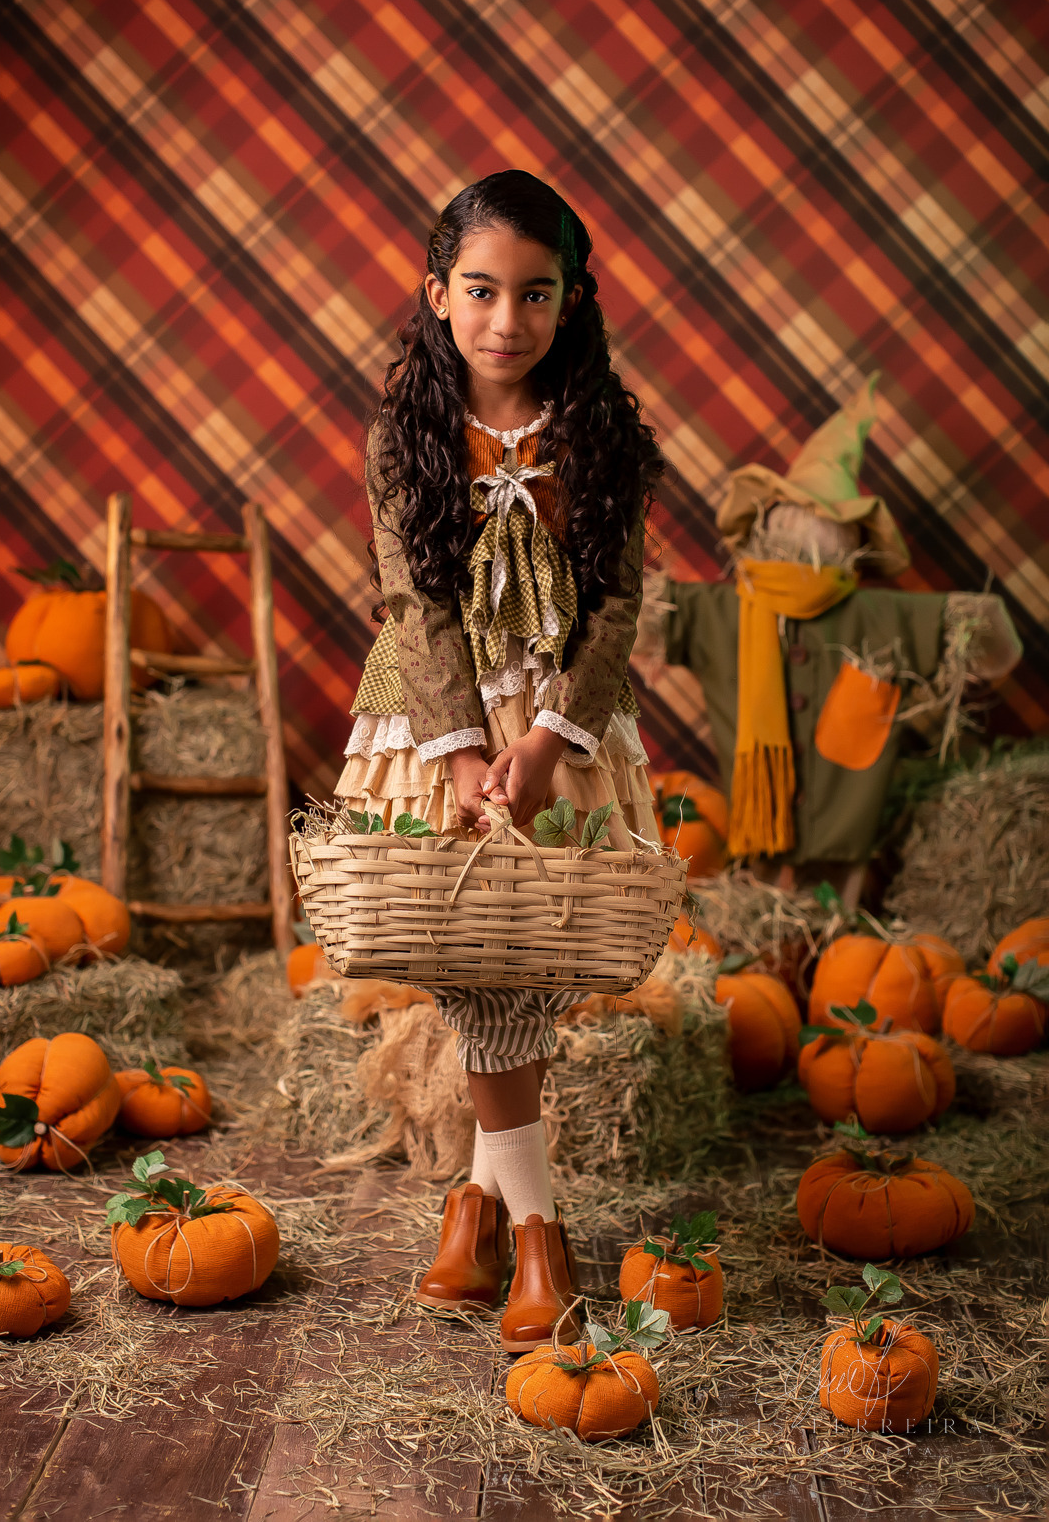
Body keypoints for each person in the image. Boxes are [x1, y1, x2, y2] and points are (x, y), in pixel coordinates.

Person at [334, 169, 664, 1352]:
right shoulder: (402, 438)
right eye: (480, 290)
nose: (505, 320)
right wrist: (467, 747)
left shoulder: (606, 436)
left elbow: (619, 606)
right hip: (440, 717)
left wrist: (547, 737)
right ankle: (537, 1235)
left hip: (560, 720)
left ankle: (480, 1215)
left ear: (572, 301)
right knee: (475, 956)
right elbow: (412, 602)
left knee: (523, 958)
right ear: (437, 292)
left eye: (536, 294)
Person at [634, 376, 1022, 905]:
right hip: (750, 847)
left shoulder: (882, 616)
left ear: (852, 542)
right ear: (766, 521)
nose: (807, 524)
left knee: (841, 946)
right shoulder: (719, 611)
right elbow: (632, 622)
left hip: (850, 850)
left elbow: (992, 638)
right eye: (794, 510)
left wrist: (964, 627)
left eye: (824, 516)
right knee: (753, 949)